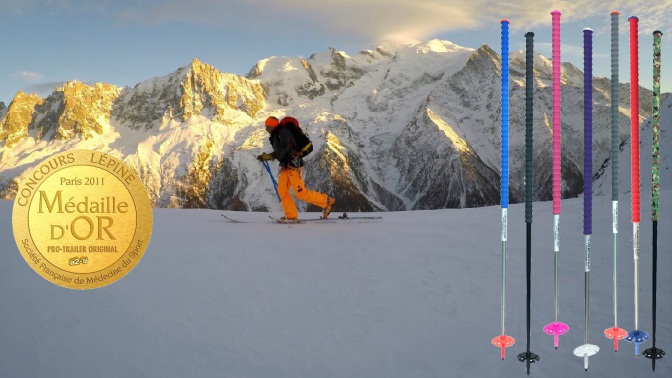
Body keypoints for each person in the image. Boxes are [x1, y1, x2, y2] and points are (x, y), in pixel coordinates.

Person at [257, 116, 336, 220]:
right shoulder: (277, 134)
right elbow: (282, 151)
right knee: (282, 190)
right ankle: (291, 216)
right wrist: (269, 156)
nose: (266, 129)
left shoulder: (283, 132)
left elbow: (284, 149)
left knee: (301, 193)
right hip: (286, 166)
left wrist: (270, 156)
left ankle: (327, 201)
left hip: (294, 165)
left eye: (267, 126)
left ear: (272, 126)